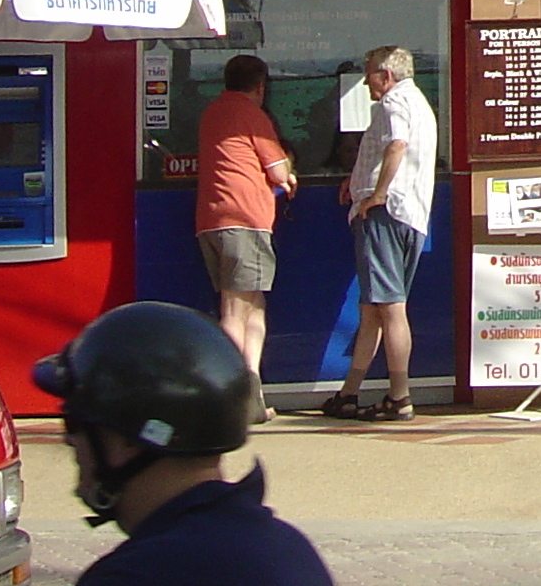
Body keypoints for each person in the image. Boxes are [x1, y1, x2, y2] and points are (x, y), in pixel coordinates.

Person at [33, 300, 331, 585]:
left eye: (77, 423)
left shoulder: (138, 575)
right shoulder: (288, 548)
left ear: (128, 437)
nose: (71, 440)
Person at [321, 46, 436, 422]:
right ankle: (349, 393)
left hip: (387, 213)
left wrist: (377, 194)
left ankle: (399, 396)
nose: (366, 80)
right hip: (412, 215)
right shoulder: (421, 104)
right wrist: (356, 181)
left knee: (389, 306)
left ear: (386, 76)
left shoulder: (392, 104)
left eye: (369, 73)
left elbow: (397, 144)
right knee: (372, 307)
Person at [195, 54, 296, 420]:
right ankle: (233, 400)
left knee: (252, 308)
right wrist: (287, 172)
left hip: (212, 220)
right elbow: (278, 169)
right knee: (236, 311)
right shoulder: (253, 115)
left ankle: (253, 399)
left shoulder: (212, 112)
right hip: (246, 221)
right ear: (260, 87)